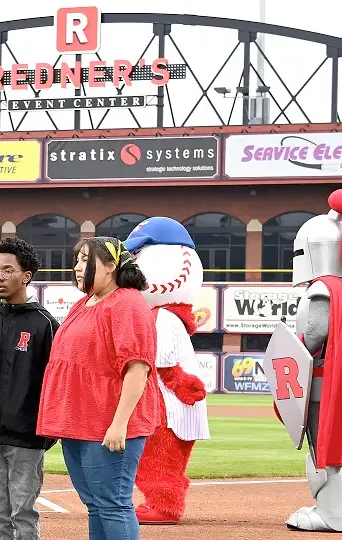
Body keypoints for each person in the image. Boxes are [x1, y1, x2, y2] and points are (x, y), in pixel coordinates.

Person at [263, 189, 342, 533]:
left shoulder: (321, 289)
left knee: (321, 445)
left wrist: (295, 349)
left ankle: (330, 514)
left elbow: (313, 334)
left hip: (320, 381)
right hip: (336, 379)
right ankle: (330, 509)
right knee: (330, 447)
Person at [36, 236, 160, 540]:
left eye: (84, 259)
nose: (77, 267)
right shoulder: (85, 302)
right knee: (95, 505)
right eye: (77, 259)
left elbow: (137, 368)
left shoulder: (127, 303)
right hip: (79, 423)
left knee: (113, 504)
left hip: (108, 426)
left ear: (111, 266)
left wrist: (119, 424)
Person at [123, 217, 210, 525]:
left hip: (169, 404)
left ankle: (164, 506)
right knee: (166, 458)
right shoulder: (168, 316)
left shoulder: (162, 318)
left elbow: (163, 362)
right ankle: (164, 502)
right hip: (172, 403)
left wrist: (178, 382)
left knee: (159, 456)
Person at [0, 237, 58, 540]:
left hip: (26, 439)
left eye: (8, 270)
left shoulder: (45, 323)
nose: (0, 277)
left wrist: (46, 433)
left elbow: (53, 383)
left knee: (24, 515)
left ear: (26, 276)